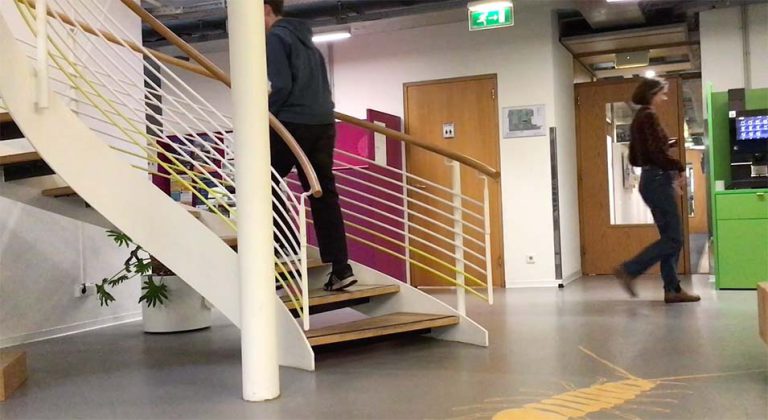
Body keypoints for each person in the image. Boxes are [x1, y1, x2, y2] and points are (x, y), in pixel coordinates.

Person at [263, 0, 357, 292]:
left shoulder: (276, 37)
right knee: (323, 194)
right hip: (323, 124)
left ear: (265, 8)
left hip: (293, 122)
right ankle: (341, 268)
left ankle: (287, 248)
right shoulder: (309, 44)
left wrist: (263, 114)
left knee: (260, 182)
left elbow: (281, 86)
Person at [613, 77, 700, 304]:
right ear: (652, 94)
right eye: (662, 93)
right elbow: (654, 154)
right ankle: (629, 269)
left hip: (651, 180)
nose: (664, 97)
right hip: (658, 181)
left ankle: (672, 289)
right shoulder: (648, 116)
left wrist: (665, 145)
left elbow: (636, 156)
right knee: (674, 238)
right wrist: (678, 166)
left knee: (671, 238)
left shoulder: (639, 118)